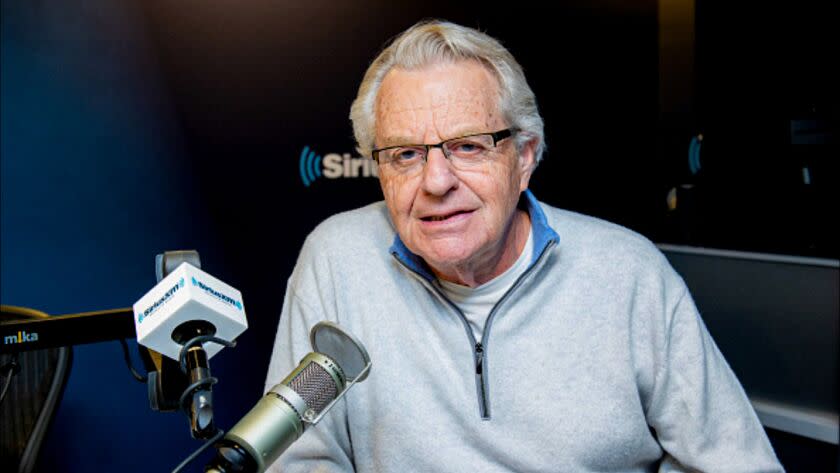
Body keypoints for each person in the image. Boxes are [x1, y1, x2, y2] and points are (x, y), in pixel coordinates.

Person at [264, 20, 783, 472]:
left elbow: (735, 462)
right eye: (405, 154)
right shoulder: (337, 258)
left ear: (524, 156)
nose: (436, 181)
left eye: (468, 146)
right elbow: (299, 458)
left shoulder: (629, 274)